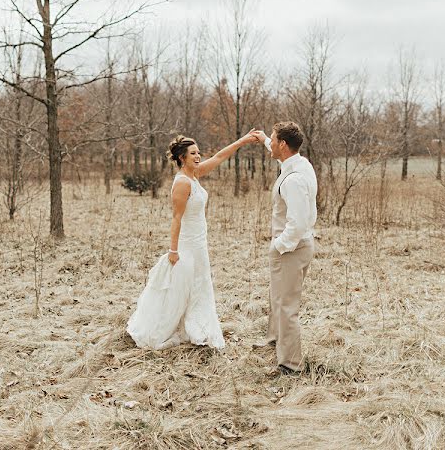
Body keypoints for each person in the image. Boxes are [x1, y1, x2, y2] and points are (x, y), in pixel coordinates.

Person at [127, 131, 259, 350]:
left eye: (198, 153)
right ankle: (178, 327)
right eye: (193, 153)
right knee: (183, 287)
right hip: (187, 244)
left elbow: (218, 158)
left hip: (199, 241)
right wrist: (173, 250)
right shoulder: (182, 183)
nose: (198, 156)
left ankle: (196, 325)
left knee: (199, 286)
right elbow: (176, 218)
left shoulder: (195, 174)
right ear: (182, 157)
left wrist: (242, 141)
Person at [251, 122, 318, 375]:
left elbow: (298, 223)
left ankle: (291, 364)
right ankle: (274, 340)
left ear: (283, 145)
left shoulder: (293, 180)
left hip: (291, 248)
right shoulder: (299, 163)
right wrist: (262, 140)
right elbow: (279, 152)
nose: (271, 142)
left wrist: (278, 246)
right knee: (277, 298)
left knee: (287, 306)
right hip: (293, 247)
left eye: (273, 139)